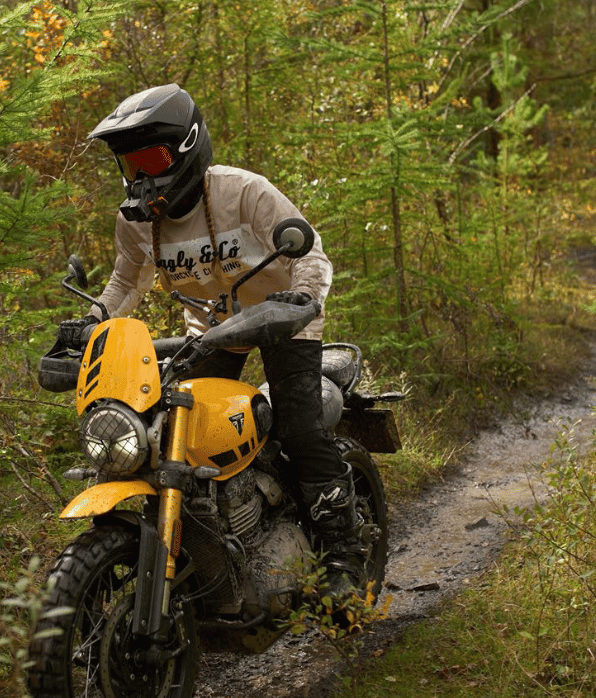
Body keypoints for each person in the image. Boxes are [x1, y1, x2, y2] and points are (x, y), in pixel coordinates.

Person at [56, 82, 365, 600]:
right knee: (172, 432)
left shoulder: (241, 192)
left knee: (297, 427)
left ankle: (343, 554)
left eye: (152, 159)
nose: (143, 177)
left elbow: (310, 254)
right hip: (212, 331)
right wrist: (89, 321)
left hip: (281, 317)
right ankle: (209, 540)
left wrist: (303, 297)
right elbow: (126, 282)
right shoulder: (135, 224)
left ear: (186, 146)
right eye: (132, 166)